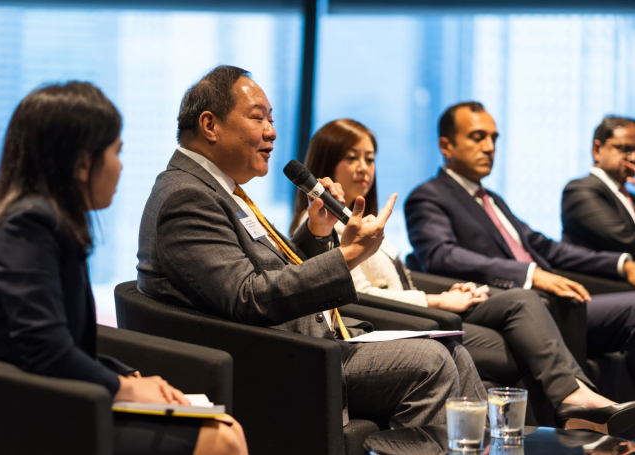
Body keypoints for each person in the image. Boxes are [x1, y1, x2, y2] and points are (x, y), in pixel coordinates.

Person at [137, 65, 487, 430]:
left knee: (456, 353)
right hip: (284, 361)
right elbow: (247, 297)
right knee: (432, 362)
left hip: (308, 342)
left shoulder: (218, 190)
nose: (271, 131)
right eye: (258, 118)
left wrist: (317, 232)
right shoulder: (187, 197)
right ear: (210, 125)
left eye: (271, 119)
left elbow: (271, 269)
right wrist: (347, 256)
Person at [0, 81, 248, 455]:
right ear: (84, 163)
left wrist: (125, 375)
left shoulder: (46, 220)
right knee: (221, 441)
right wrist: (126, 388)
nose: (121, 166)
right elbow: (45, 349)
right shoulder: (28, 226)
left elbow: (59, 342)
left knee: (225, 429)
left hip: (36, 396)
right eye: (117, 152)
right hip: (5, 414)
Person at [293, 118, 630, 432]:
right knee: (523, 338)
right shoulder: (319, 227)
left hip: (419, 306)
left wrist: (450, 291)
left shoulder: (361, 220)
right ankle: (559, 410)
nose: (364, 167)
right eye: (352, 157)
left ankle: (563, 405)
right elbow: (356, 293)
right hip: (395, 321)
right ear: (327, 163)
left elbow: (402, 277)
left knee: (523, 308)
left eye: (370, 158)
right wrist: (436, 299)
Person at [404, 101, 635, 434]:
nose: (489, 147)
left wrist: (621, 264)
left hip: (553, 304)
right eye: (478, 137)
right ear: (446, 145)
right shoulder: (428, 197)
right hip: (506, 304)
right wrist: (528, 276)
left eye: (494, 138)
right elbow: (442, 256)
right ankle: (576, 400)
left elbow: (545, 248)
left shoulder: (493, 199)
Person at [562, 115, 635, 255]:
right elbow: (627, 242)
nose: (633, 157)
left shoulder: (630, 196)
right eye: (625, 149)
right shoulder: (579, 191)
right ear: (597, 149)